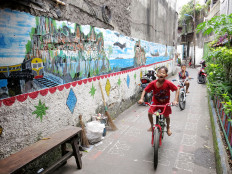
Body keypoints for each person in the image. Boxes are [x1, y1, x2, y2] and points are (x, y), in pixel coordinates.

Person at [138, 66, 179, 136]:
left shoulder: (168, 83)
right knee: (149, 113)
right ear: (157, 75)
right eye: (160, 72)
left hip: (165, 103)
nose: (161, 74)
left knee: (167, 116)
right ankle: (151, 125)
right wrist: (141, 98)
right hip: (155, 102)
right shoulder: (153, 83)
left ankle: (168, 127)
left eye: (163, 73)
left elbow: (177, 89)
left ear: (166, 75)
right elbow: (145, 90)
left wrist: (175, 100)